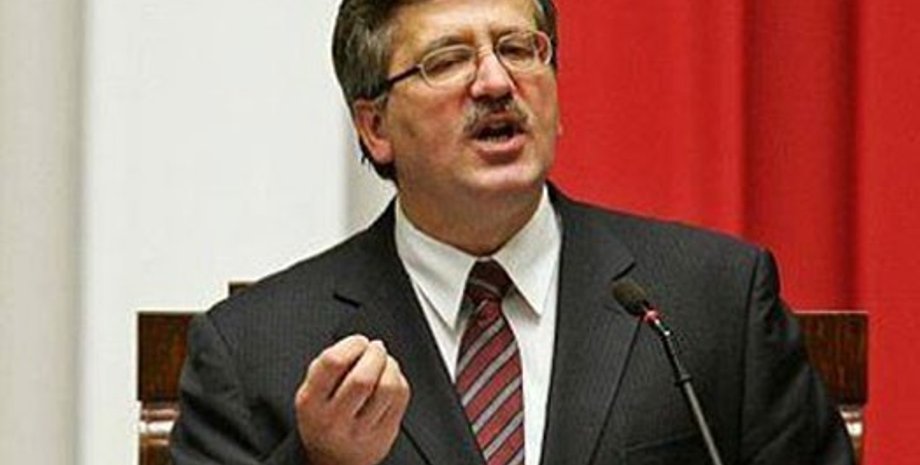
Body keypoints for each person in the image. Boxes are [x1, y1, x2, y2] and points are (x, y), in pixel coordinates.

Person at [169, 0, 855, 464]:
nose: (497, 82)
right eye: (447, 60)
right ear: (375, 127)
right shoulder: (256, 349)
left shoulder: (711, 300)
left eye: (520, 49)